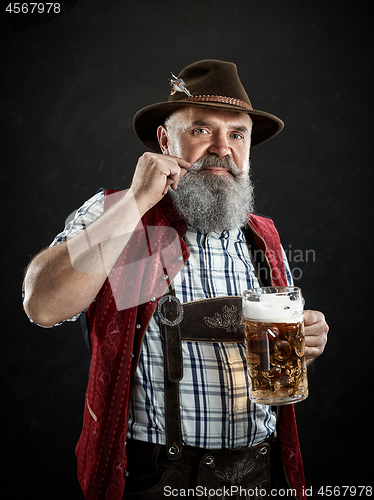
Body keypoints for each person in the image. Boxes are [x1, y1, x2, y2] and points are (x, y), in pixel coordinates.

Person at [23, 60, 328, 500]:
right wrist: (137, 201)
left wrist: (304, 347)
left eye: (237, 134)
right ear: (166, 140)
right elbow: (43, 305)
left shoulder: (263, 236)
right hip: (156, 479)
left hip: (259, 474)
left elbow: (276, 370)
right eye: (202, 130)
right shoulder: (119, 216)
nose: (222, 147)